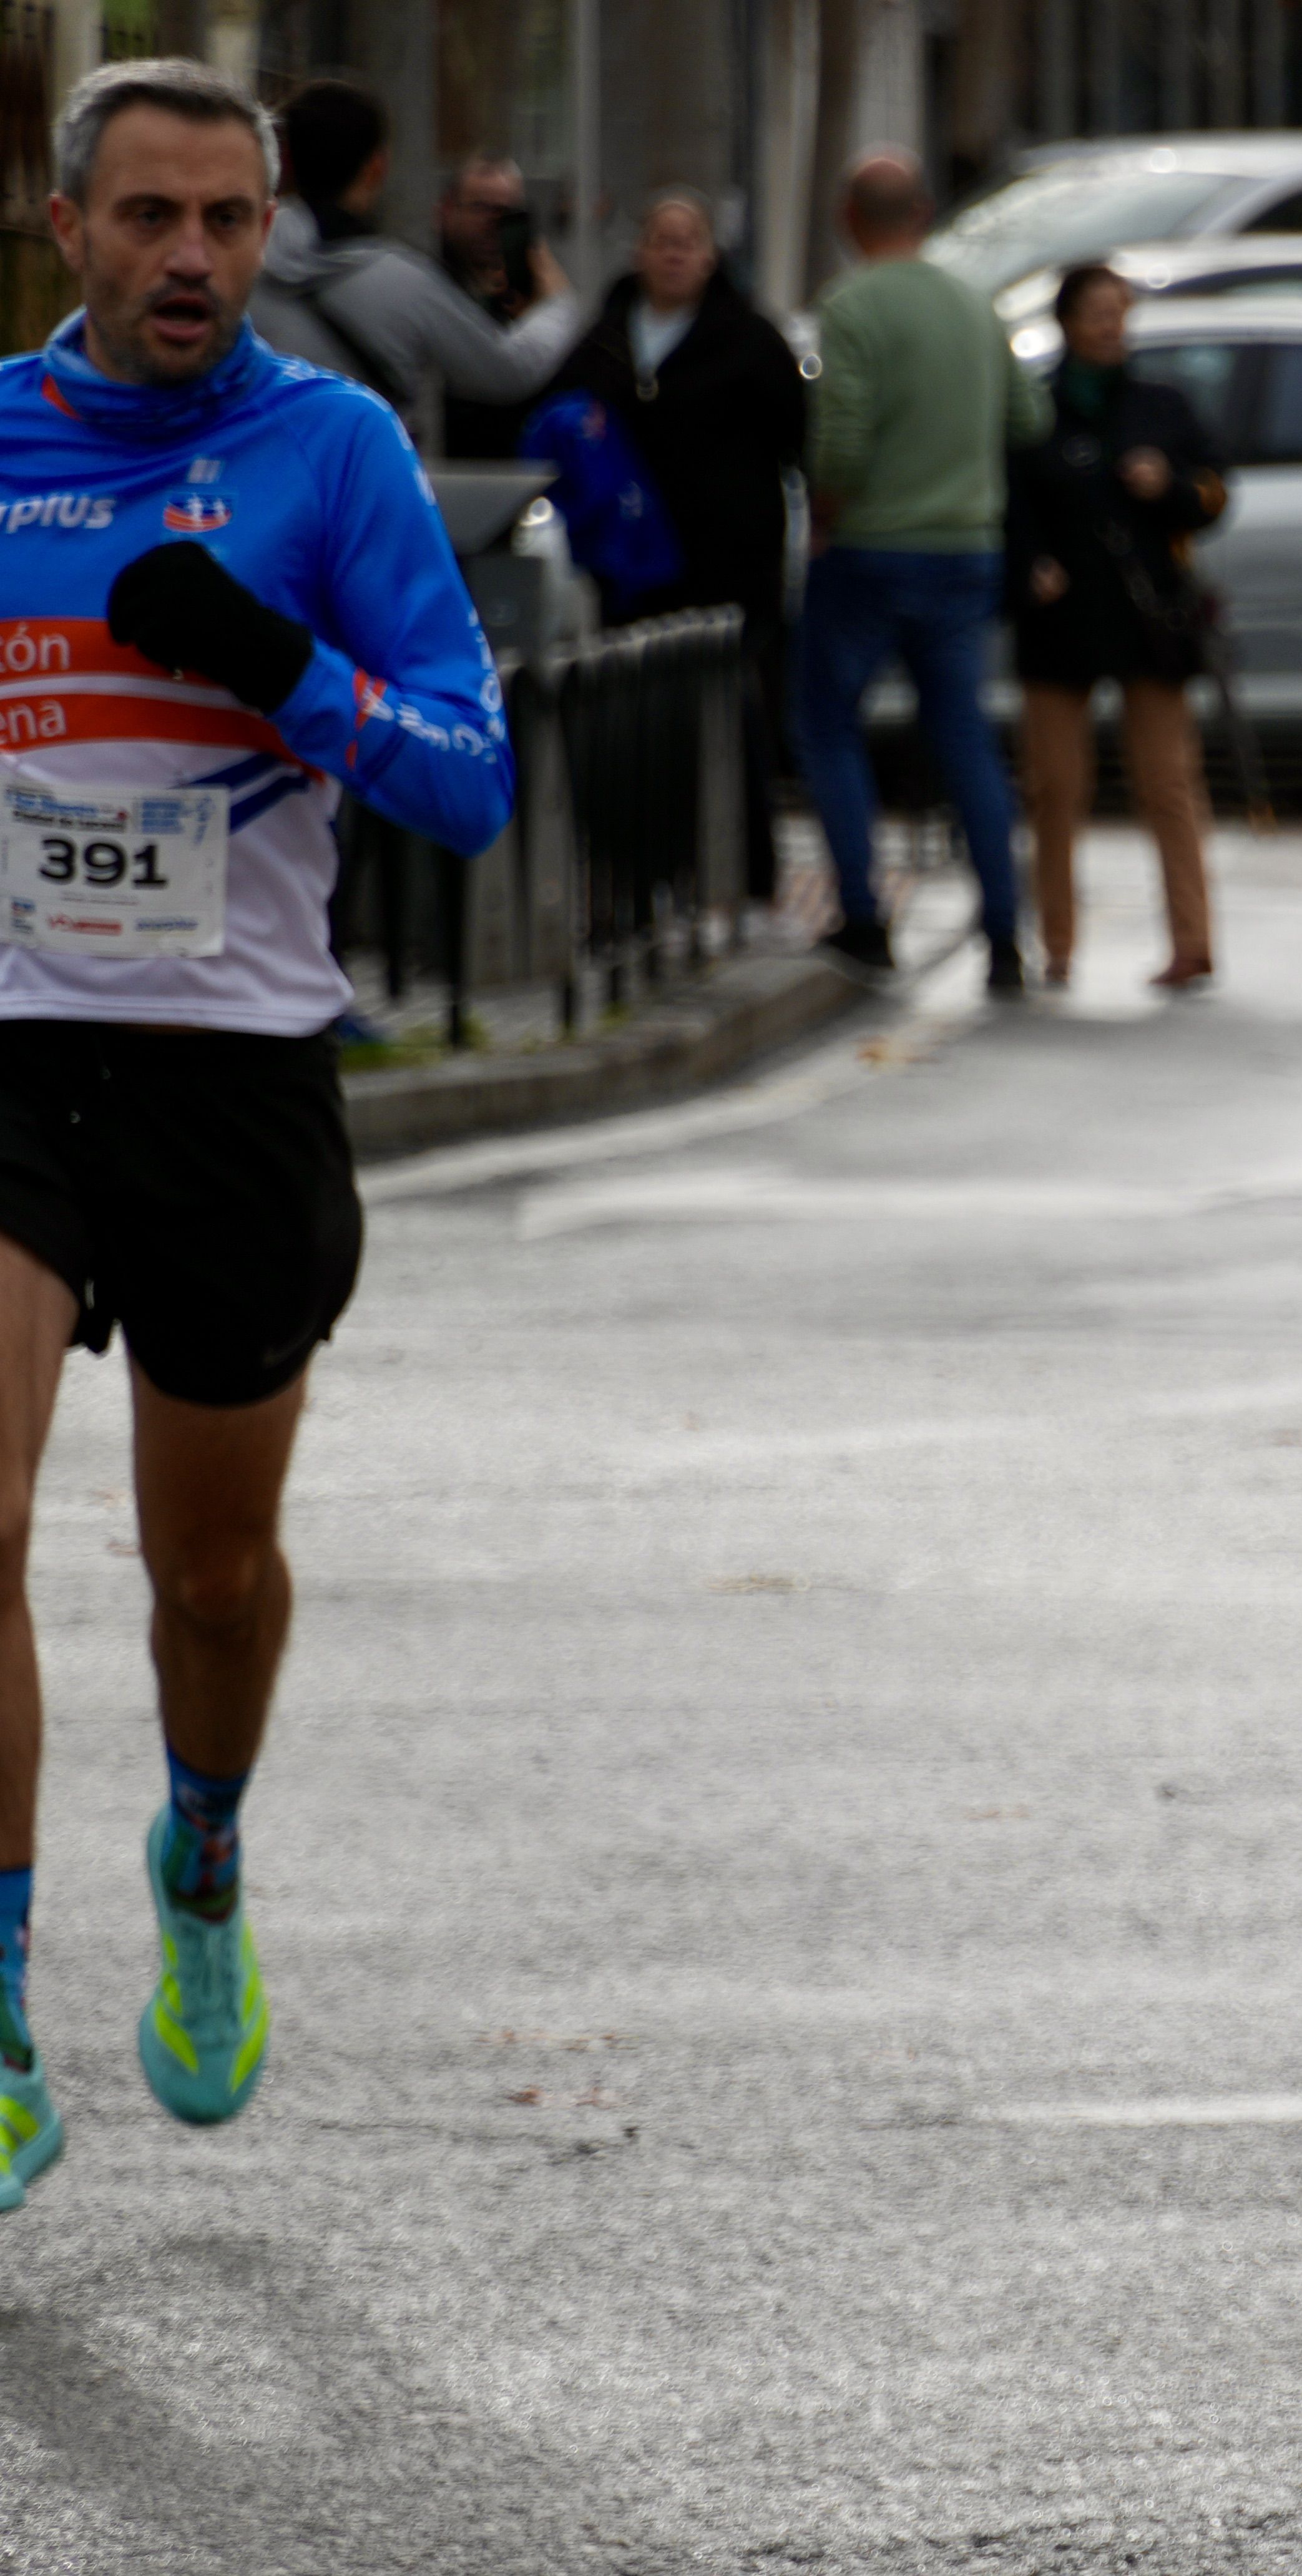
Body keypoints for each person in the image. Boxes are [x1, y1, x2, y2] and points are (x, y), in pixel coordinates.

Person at [0, 57, 517, 2212]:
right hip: (11, 1049)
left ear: (271, 232)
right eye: (149, 217)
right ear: (68, 230)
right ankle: (4, 2006)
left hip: (236, 1071)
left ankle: (200, 1844)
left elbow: (468, 775)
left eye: (228, 220)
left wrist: (282, 668)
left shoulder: (336, 451)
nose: (192, 257)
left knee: (208, 1572)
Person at [791, 152, 1044, 993]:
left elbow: (841, 440)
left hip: (872, 547)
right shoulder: (975, 305)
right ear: (926, 214)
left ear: (848, 218)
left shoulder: (852, 304)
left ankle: (863, 915)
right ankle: (1005, 930)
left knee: (829, 724)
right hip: (965, 548)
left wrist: (827, 515)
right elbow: (1027, 416)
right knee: (963, 735)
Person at [546, 190, 808, 907]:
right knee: (635, 729)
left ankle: (745, 879)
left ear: (710, 256)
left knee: (731, 720)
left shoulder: (750, 339)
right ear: (639, 253)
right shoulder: (604, 335)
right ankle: (638, 875)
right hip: (634, 572)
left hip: (730, 570)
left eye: (687, 241)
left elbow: (797, 439)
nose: (673, 254)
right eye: (661, 240)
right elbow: (557, 419)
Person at [1006, 265, 1228, 992]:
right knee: (1055, 786)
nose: (1112, 326)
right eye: (1098, 313)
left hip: (1148, 620)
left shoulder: (1161, 407)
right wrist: (1030, 562)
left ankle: (1192, 945)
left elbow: (1214, 495)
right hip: (1061, 620)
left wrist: (1168, 486)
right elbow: (1006, 503)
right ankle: (1058, 944)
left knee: (1169, 783)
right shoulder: (1035, 412)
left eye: (1120, 313)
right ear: (1068, 322)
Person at [245, 78, 581, 460]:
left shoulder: (242, 268)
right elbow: (510, 372)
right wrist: (559, 304)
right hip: (365, 488)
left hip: (266, 477)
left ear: (284, 161)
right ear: (377, 167)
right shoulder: (405, 282)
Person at [433, 155, 542, 462]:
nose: (494, 222)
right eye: (480, 207)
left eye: (506, 211)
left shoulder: (534, 302)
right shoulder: (428, 293)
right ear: (446, 210)